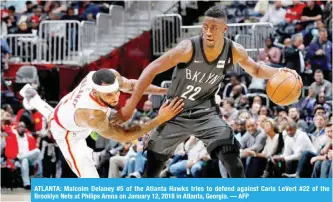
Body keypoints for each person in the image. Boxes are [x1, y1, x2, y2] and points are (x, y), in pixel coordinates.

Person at [116, 6, 298, 178]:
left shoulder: (233, 51)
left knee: (232, 158)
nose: (208, 32)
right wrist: (130, 105)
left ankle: (243, 193)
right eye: (205, 27)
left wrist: (281, 71)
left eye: (214, 28)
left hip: (206, 112)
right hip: (175, 111)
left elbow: (257, 70)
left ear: (224, 29)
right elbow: (152, 68)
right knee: (153, 168)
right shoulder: (188, 48)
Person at [19, 69, 183, 178]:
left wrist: (165, 90)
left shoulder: (105, 75)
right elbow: (124, 136)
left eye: (116, 92)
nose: (115, 98)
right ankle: (34, 100)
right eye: (109, 95)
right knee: (91, 180)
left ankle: (33, 99)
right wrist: (160, 118)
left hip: (67, 107)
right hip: (67, 132)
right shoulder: (92, 114)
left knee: (53, 114)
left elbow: (133, 85)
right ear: (96, 92)